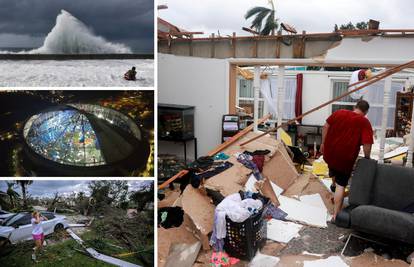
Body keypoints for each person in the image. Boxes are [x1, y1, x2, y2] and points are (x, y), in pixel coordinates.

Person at [320, 100, 374, 220]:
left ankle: (333, 186)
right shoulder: (364, 122)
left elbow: (325, 126)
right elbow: (367, 143)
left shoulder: (339, 113)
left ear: (355, 107)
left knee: (333, 169)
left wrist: (323, 143)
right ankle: (336, 214)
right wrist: (367, 157)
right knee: (341, 184)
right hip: (345, 158)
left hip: (330, 152)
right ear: (365, 112)